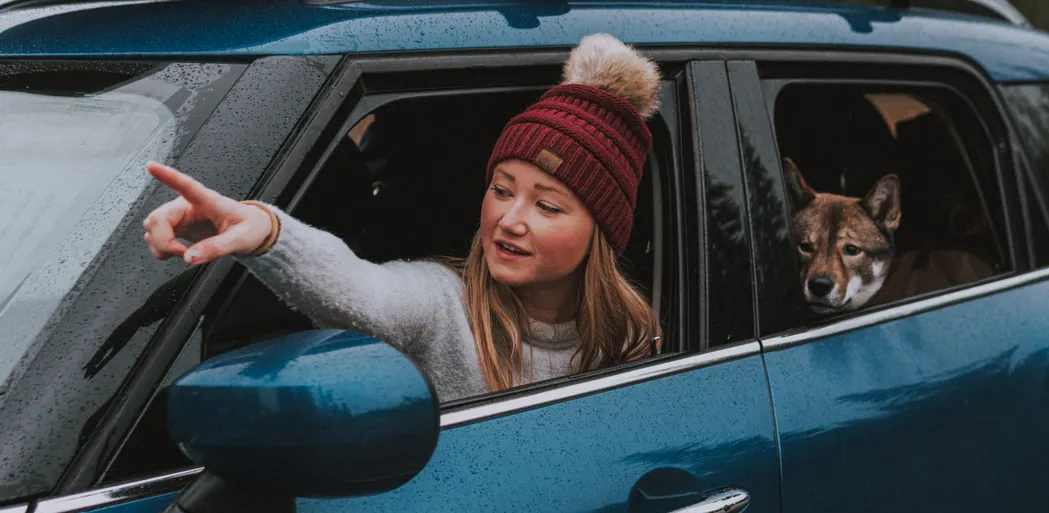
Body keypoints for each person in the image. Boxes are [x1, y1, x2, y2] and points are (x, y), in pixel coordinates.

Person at [142, 33, 661, 401]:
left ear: (603, 233)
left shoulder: (630, 338)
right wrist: (269, 234)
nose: (510, 220)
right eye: (501, 191)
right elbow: (361, 291)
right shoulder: (442, 301)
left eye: (547, 205)